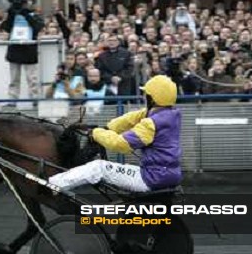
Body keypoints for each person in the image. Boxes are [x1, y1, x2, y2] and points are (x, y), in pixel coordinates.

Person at [49, 75, 181, 193]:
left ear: (152, 98)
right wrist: (108, 128)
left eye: (145, 94)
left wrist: (95, 133)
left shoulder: (151, 123)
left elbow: (121, 144)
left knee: (98, 167)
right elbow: (131, 118)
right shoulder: (172, 114)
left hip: (152, 178)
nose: (143, 96)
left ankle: (52, 184)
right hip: (168, 175)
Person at [0, 0, 44, 102]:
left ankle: (35, 100)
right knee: (14, 79)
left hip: (29, 49)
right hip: (15, 48)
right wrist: (11, 12)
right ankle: (12, 100)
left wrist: (26, 14)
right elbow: (6, 27)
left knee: (32, 78)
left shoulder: (35, 15)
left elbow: (37, 27)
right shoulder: (12, 14)